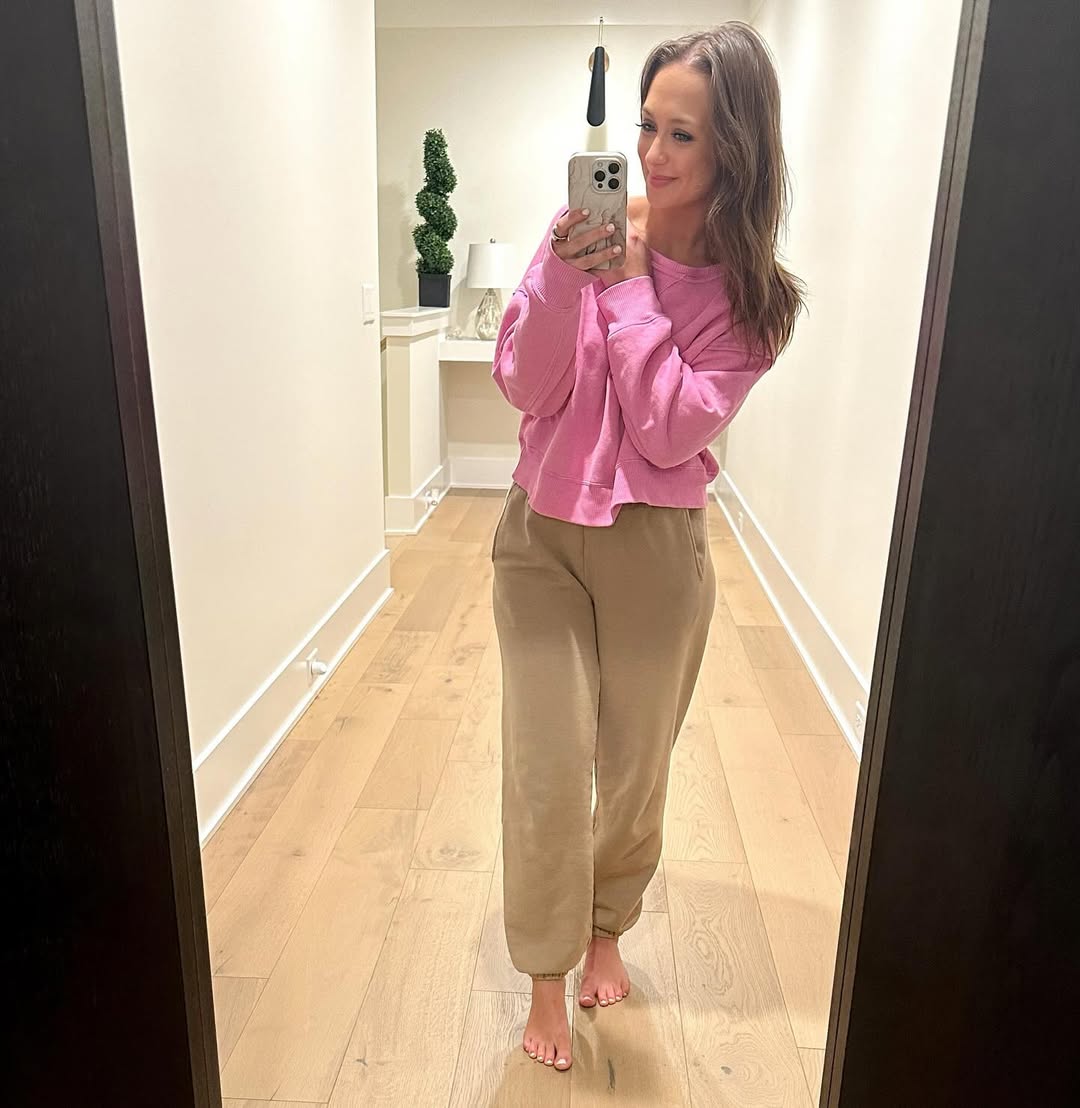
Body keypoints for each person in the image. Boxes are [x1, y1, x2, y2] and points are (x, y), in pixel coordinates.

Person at [489, 22, 805, 1072]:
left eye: (683, 134)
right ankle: (544, 973)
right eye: (646, 125)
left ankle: (605, 927)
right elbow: (525, 385)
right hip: (540, 535)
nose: (653, 154)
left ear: (735, 153)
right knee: (545, 761)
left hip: (656, 551)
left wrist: (628, 291)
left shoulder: (754, 304)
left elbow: (670, 431)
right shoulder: (580, 231)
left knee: (632, 767)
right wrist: (565, 276)